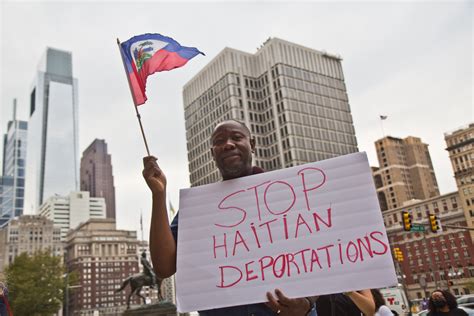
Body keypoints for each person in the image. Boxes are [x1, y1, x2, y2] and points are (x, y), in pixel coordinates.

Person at [143, 120, 316, 316]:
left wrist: (307, 303)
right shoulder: (197, 208)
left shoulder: (289, 192)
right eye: (219, 141)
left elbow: (328, 258)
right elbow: (164, 268)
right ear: (212, 154)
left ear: (252, 144)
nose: (228, 144)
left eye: (236, 137)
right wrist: (159, 195)